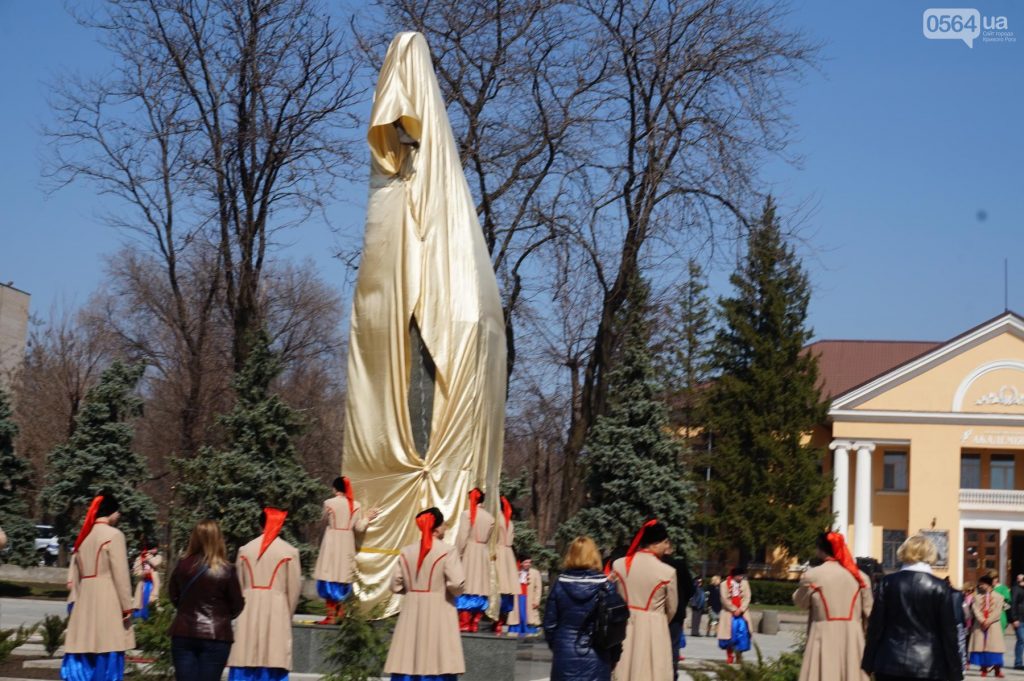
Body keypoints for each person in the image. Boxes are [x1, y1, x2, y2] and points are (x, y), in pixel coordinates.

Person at [862, 534, 963, 681]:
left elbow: (876, 627)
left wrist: (868, 662)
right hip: (929, 664)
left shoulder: (887, 583)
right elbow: (948, 633)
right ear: (930, 553)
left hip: (890, 661)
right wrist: (955, 671)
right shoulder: (940, 587)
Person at [383, 507, 466, 681]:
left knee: (409, 655)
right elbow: (457, 584)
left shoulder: (407, 551)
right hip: (439, 609)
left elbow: (394, 584)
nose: (445, 528)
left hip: (412, 610)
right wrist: (455, 591)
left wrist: (412, 590)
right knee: (437, 656)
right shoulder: (447, 551)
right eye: (443, 524)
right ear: (436, 527)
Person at [62, 493, 135, 681]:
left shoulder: (83, 537)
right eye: (117, 511)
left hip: (84, 602)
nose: (119, 515)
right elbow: (121, 575)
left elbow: (76, 578)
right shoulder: (114, 535)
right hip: (107, 599)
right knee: (106, 645)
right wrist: (127, 605)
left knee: (84, 646)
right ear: (110, 511)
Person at [226, 508, 302, 681]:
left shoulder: (245, 550)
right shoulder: (289, 552)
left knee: (245, 654)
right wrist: (286, 614)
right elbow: (294, 589)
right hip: (276, 609)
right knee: (273, 656)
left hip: (248, 607)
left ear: (260, 524)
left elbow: (238, 584)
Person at [169, 520, 245, 681]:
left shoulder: (182, 565)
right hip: (216, 634)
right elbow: (237, 604)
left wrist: (186, 610)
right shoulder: (226, 569)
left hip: (184, 632)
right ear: (218, 538)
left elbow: (173, 596)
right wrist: (223, 616)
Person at [544, 536, 627, 681]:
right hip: (597, 655)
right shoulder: (606, 586)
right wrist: (615, 656)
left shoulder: (559, 585)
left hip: (565, 653)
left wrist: (559, 647)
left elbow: (550, 625)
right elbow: (616, 627)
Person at [793, 532, 872, 681]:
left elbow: (800, 602)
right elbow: (869, 611)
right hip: (853, 638)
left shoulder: (813, 575)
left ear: (821, 549)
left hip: (822, 635)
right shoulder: (861, 577)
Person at [610, 520, 678, 681]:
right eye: (665, 543)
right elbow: (672, 608)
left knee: (624, 668)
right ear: (657, 543)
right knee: (652, 671)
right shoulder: (667, 572)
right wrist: (658, 618)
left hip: (625, 625)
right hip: (654, 627)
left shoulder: (619, 565)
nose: (666, 547)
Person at [312, 476, 379, 624]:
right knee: (342, 577)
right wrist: (368, 517)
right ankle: (340, 612)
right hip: (347, 542)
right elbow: (359, 528)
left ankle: (331, 615)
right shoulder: (356, 505)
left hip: (332, 541)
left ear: (335, 488)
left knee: (329, 575)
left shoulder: (329, 503)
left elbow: (322, 520)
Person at [455, 487, 494, 632]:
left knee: (467, 586)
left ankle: (464, 621)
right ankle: (474, 621)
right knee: (479, 587)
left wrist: (457, 553)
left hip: (469, 552)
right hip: (482, 552)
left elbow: (462, 536)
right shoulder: (490, 517)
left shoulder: (467, 515)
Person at [970, 574, 1006, 677]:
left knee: (995, 648)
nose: (980, 586)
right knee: (981, 646)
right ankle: (984, 668)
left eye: (982, 584)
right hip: (980, 625)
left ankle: (997, 669)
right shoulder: (976, 597)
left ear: (988, 584)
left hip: (993, 625)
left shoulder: (999, 597)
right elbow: (975, 609)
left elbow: (997, 612)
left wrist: (988, 621)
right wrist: (982, 620)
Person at [664, 552, 694, 673]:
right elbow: (690, 589)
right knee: (673, 646)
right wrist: (682, 601)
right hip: (676, 613)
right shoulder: (679, 565)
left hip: (655, 612)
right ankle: (672, 673)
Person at [717, 567, 752, 664]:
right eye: (739, 575)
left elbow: (747, 597)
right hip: (729, 614)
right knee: (729, 636)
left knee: (742, 635)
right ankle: (729, 655)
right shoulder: (724, 584)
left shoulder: (745, 584)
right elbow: (724, 599)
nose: (741, 577)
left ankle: (739, 655)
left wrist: (741, 609)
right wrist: (733, 609)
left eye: (742, 576)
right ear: (734, 576)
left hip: (741, 614)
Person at [494, 496, 518, 634]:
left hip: (500, 552)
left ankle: (497, 620)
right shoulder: (509, 521)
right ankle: (501, 621)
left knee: (499, 586)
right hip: (508, 555)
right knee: (507, 588)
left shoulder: (498, 519)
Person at [507, 554, 542, 636]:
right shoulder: (515, 572)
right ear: (521, 563)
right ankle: (515, 630)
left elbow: (538, 588)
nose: (528, 564)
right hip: (517, 598)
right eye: (526, 562)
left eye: (529, 562)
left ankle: (529, 630)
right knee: (517, 615)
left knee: (527, 615)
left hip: (528, 598)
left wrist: (536, 600)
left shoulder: (535, 573)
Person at [132, 542, 163, 620]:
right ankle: (139, 621)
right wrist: (142, 573)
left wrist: (148, 556)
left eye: (156, 548)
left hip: (153, 584)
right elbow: (136, 571)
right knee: (140, 603)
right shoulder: (140, 558)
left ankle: (152, 619)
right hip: (143, 584)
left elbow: (156, 563)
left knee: (152, 602)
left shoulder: (158, 557)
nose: (155, 549)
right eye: (154, 548)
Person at [1010, 573, 1024, 670]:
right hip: (1019, 619)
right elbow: (1013, 604)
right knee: (1021, 639)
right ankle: (1018, 663)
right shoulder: (1016, 589)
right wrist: (1014, 619)